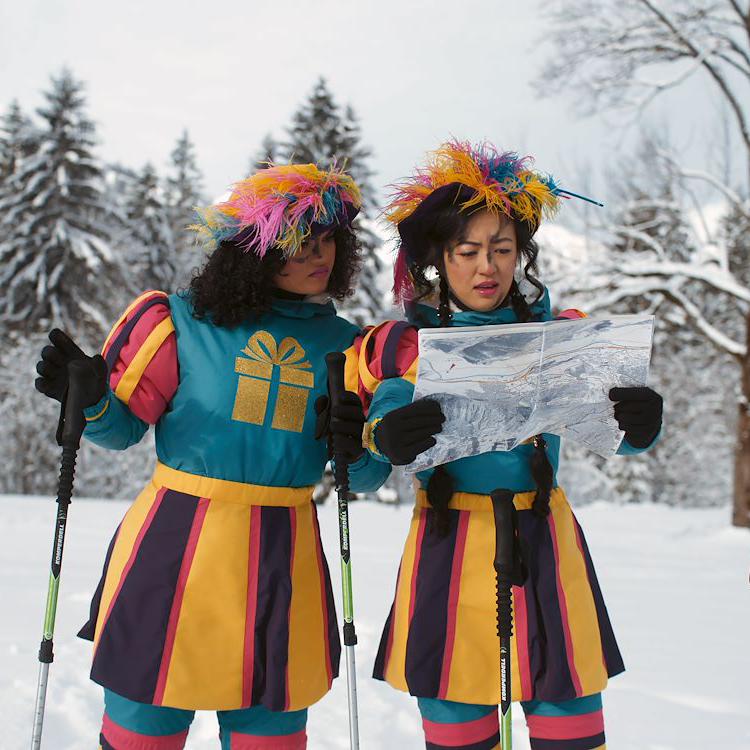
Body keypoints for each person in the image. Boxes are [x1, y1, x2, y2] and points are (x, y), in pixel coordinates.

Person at [34, 162, 387, 750]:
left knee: (268, 734)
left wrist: (357, 447)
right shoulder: (178, 322)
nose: (320, 254)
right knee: (142, 731)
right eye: (301, 241)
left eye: (329, 239)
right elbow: (121, 432)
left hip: (285, 554)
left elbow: (367, 475)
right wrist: (91, 397)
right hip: (172, 549)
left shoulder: (349, 348)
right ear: (253, 249)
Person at [349, 141, 663, 750]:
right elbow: (385, 419)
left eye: (502, 249)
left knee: (569, 719)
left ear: (521, 255)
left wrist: (639, 425)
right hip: (448, 542)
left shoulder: (564, 337)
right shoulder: (404, 346)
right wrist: (385, 434)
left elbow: (615, 433)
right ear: (441, 259)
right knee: (458, 723)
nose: (486, 267)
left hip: (545, 539)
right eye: (467, 251)